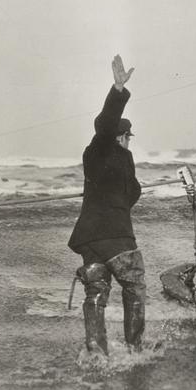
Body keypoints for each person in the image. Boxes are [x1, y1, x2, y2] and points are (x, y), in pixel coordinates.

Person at [68, 54, 146, 356]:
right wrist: (117, 90)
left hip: (90, 240)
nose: (129, 143)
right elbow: (104, 124)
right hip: (117, 238)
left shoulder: (95, 156)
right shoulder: (103, 147)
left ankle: (97, 353)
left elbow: (132, 193)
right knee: (135, 289)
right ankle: (135, 348)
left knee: (96, 295)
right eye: (128, 137)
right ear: (122, 136)